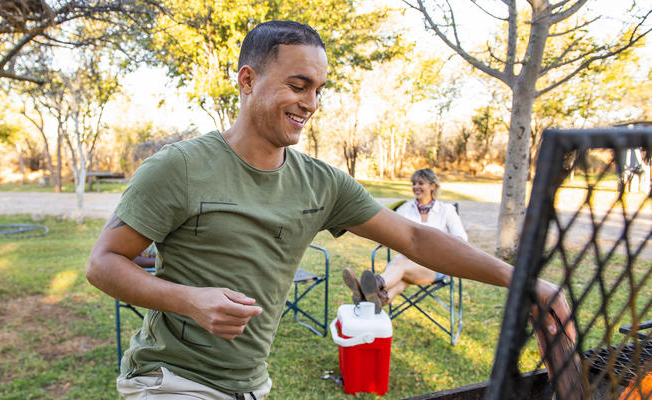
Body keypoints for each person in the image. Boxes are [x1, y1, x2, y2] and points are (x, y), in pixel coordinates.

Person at [85, 20, 573, 399]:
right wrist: (188, 300)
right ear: (248, 79)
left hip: (251, 384)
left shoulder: (321, 183)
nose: (311, 103)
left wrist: (525, 281)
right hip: (169, 381)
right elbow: (103, 263)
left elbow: (417, 239)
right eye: (298, 85)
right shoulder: (180, 167)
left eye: (318, 89)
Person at [343, 168, 467, 309]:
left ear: (433, 186)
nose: (416, 187)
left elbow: (461, 238)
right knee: (400, 281)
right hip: (407, 262)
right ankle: (376, 300)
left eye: (421, 183)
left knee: (400, 266)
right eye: (413, 183)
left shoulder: (447, 210)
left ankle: (368, 289)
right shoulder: (405, 209)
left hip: (434, 266)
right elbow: (391, 233)